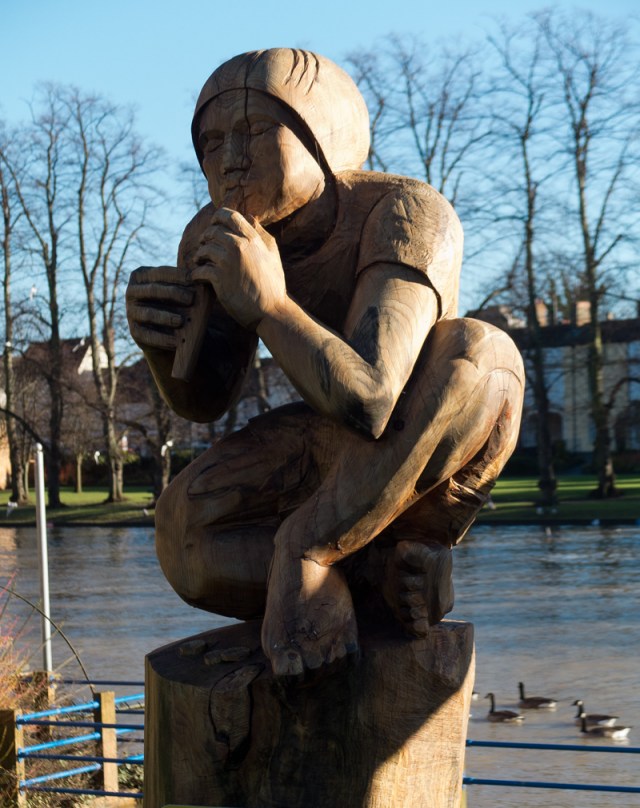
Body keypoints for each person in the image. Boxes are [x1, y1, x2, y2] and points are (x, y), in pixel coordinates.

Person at [126, 48, 524, 677]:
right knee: (182, 533)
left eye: (256, 130)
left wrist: (270, 307)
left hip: (421, 442)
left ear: (323, 137)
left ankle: (316, 556)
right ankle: (385, 572)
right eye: (211, 143)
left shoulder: (406, 213)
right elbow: (205, 401)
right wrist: (162, 346)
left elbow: (374, 398)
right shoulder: (219, 235)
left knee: (478, 350)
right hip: (327, 440)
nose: (230, 159)